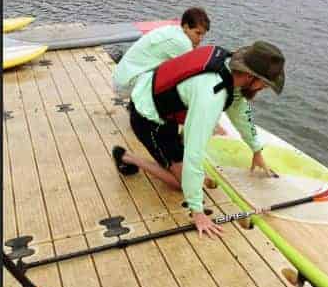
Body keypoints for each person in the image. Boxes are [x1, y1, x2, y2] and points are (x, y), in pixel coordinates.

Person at [112, 40, 284, 237]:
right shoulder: (210, 96)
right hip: (147, 118)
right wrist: (197, 211)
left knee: (190, 173)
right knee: (181, 184)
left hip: (163, 108)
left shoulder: (228, 67)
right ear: (249, 76)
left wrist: (256, 150)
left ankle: (174, 162)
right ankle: (126, 157)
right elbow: (195, 152)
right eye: (265, 83)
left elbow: (239, 109)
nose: (265, 88)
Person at [112, 7, 210, 95]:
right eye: (198, 33)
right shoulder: (182, 42)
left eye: (203, 35)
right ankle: (145, 110)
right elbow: (195, 72)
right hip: (126, 85)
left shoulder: (174, 30)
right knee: (182, 83)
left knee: (172, 71)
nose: (200, 38)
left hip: (121, 79)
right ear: (185, 26)